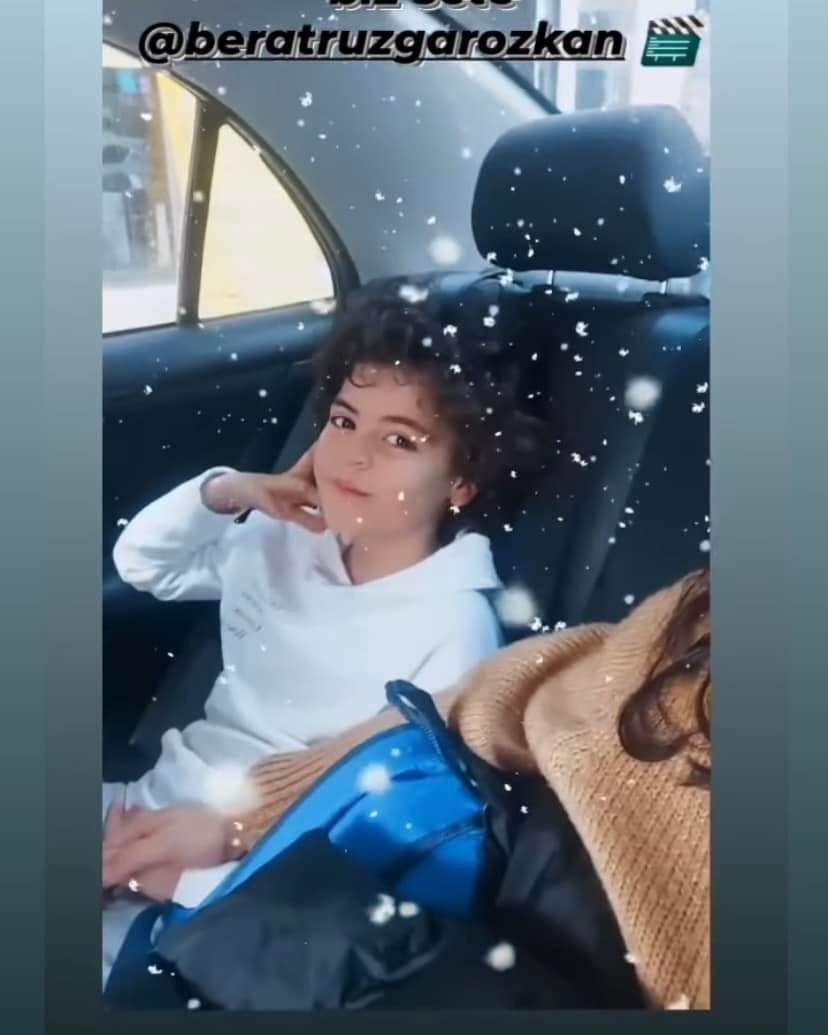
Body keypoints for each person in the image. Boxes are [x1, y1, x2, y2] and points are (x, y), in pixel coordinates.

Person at [101, 285, 551, 986]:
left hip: (252, 873)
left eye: (399, 440)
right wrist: (232, 491)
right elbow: (143, 565)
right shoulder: (284, 536)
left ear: (461, 481)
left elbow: (378, 811)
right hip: (146, 801)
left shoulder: (454, 626)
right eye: (344, 420)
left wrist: (193, 871)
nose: (353, 455)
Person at [105, 569, 711, 1009]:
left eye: (399, 442)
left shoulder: (452, 618)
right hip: (308, 918)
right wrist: (246, 822)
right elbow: (459, 712)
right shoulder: (680, 622)